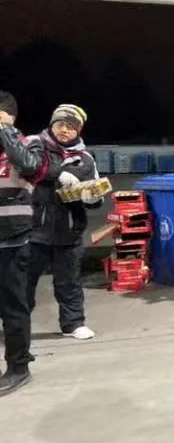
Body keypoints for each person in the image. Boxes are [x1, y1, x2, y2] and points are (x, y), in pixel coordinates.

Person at [25, 105, 101, 341]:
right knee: (22, 281)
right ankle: (15, 325)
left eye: (71, 126)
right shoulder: (35, 144)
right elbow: (30, 165)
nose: (65, 130)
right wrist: (58, 173)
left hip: (69, 230)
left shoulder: (85, 159)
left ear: (78, 131)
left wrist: (93, 197)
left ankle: (73, 323)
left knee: (69, 281)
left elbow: (95, 194)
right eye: (60, 124)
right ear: (52, 125)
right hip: (33, 228)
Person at [0, 91, 46, 396]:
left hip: (12, 238)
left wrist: (6, 132)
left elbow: (29, 166)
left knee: (13, 307)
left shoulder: (29, 143)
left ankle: (18, 367)